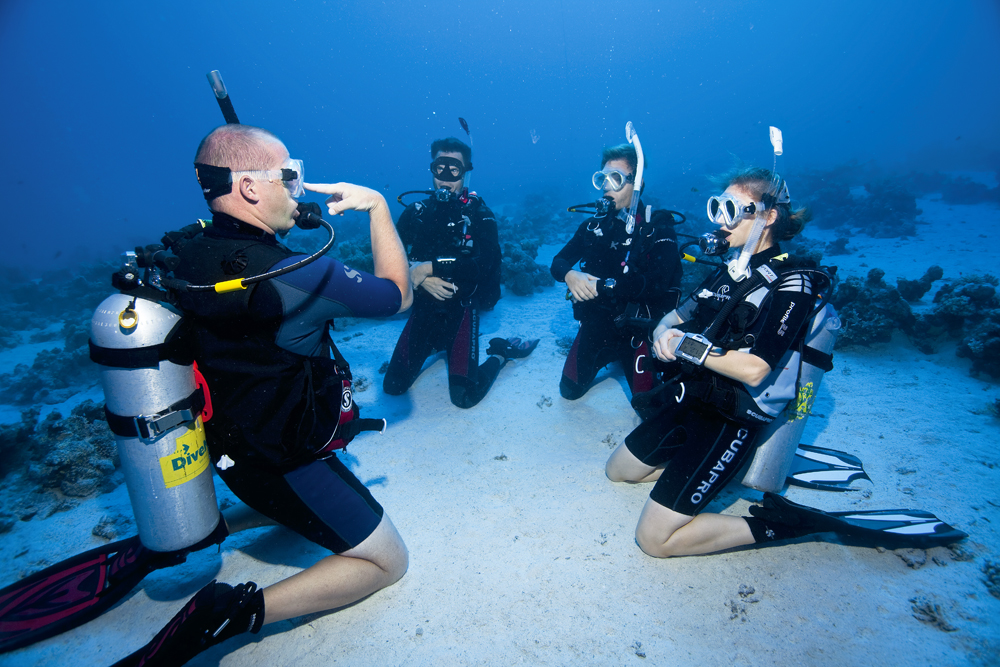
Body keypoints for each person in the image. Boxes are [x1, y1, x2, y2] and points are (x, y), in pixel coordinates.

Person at [111, 124, 413, 666]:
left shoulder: (188, 253)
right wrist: (378, 210)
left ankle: (198, 526)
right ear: (250, 187)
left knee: (287, 504)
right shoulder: (300, 274)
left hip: (223, 453)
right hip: (282, 462)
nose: (300, 190)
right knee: (389, 562)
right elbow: (397, 296)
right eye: (291, 177)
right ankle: (226, 615)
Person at [603, 166, 832, 557]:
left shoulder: (795, 283)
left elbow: (757, 368)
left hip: (732, 417)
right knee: (618, 471)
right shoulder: (730, 271)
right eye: (718, 208)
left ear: (768, 215)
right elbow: (672, 319)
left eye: (732, 209)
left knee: (654, 540)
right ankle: (711, 476)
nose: (721, 221)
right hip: (695, 396)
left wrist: (684, 347)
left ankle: (778, 524)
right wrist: (662, 337)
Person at [383, 137, 537, 409]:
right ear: (431, 169)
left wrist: (428, 268)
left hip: (462, 310)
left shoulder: (480, 215)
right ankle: (435, 345)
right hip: (424, 311)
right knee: (393, 387)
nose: (445, 178)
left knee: (464, 398)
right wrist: (417, 276)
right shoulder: (416, 213)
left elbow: (484, 265)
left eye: (454, 170)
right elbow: (389, 258)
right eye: (439, 169)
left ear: (465, 173)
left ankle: (501, 353)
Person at [550, 144, 682, 406]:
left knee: (650, 408)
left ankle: (629, 360)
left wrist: (604, 286)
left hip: (637, 329)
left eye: (616, 179)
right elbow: (558, 261)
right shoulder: (593, 225)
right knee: (569, 390)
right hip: (596, 324)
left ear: (637, 184)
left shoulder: (657, 226)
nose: (606, 186)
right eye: (602, 178)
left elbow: (659, 283)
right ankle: (607, 356)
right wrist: (570, 275)